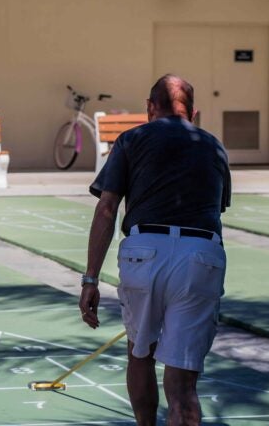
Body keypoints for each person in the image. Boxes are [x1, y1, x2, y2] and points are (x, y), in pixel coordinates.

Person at [79, 74, 231, 425]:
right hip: (200, 255)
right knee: (182, 384)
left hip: (144, 251)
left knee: (140, 354)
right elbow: (216, 208)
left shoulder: (132, 139)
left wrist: (90, 278)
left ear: (150, 108)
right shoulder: (214, 146)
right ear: (193, 113)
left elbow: (106, 209)